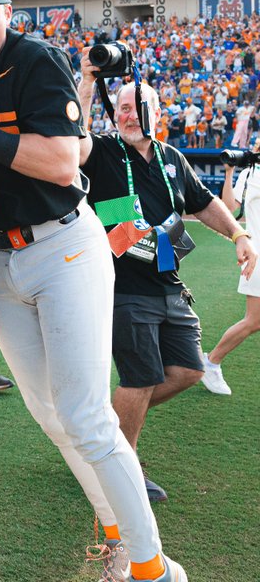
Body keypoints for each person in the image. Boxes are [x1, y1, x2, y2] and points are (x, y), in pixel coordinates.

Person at [0, 0, 185, 582]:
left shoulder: (36, 61)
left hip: (63, 247)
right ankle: (114, 533)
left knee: (86, 415)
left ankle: (154, 569)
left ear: (10, 13)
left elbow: (64, 163)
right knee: (51, 415)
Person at [77, 58, 255, 509]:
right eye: (121, 107)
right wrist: (87, 81)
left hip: (170, 287)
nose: (129, 114)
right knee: (140, 378)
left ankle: (103, 435)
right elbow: (70, 141)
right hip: (123, 289)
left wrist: (238, 233)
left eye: (138, 106)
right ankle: (122, 467)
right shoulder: (100, 150)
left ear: (158, 111)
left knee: (189, 370)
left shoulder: (171, 157)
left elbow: (205, 201)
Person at [201, 147, 260, 395]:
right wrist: (229, 173)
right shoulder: (251, 174)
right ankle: (211, 361)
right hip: (257, 253)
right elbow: (228, 207)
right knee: (255, 319)